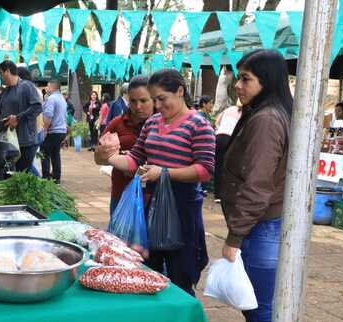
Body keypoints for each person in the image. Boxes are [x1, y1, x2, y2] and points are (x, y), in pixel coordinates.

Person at [95, 69, 215, 296]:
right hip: (149, 208)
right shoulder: (152, 123)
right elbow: (134, 161)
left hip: (181, 211)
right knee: (147, 273)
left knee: (180, 276)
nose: (158, 105)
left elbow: (205, 170)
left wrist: (165, 173)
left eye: (162, 99)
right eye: (155, 99)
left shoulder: (199, 125)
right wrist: (108, 156)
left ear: (180, 91)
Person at [219, 49, 293, 322]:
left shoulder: (266, 119)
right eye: (239, 76)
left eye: (246, 78)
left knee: (260, 310)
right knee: (259, 309)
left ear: (268, 81)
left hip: (262, 226)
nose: (238, 84)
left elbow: (258, 185)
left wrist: (235, 237)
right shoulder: (264, 113)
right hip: (261, 224)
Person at [95, 75, 155, 216]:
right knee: (119, 236)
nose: (138, 106)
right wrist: (117, 156)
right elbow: (98, 158)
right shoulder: (118, 123)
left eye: (143, 100)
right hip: (121, 191)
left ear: (153, 98)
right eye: (133, 101)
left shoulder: (162, 124)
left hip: (152, 196)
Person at [0, 60, 42, 173]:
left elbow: (37, 107)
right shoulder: (5, 92)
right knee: (9, 176)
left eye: (0, 73)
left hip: (25, 143)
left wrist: (18, 118)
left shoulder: (27, 86)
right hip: (8, 143)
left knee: (20, 176)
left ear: (7, 71)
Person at [40, 80, 68, 183]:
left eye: (47, 86)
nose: (46, 89)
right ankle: (57, 177)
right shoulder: (62, 98)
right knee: (55, 154)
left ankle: (46, 176)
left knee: (44, 152)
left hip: (53, 130)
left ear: (52, 87)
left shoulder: (51, 99)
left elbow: (48, 115)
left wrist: (45, 130)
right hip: (61, 131)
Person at [213, 102, 242, 202]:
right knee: (229, 166)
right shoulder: (242, 113)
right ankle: (227, 193)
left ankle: (217, 195)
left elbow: (217, 122)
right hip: (230, 138)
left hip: (219, 137)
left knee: (218, 165)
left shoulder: (228, 110)